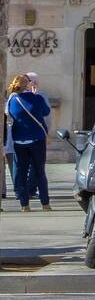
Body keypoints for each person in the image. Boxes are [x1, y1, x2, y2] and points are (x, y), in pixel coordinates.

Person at [6, 75, 50, 211]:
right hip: (37, 140)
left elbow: (9, 115)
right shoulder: (37, 98)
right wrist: (35, 95)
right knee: (39, 171)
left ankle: (24, 205)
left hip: (19, 140)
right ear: (28, 85)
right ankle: (45, 204)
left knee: (21, 173)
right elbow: (46, 112)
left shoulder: (12, 100)